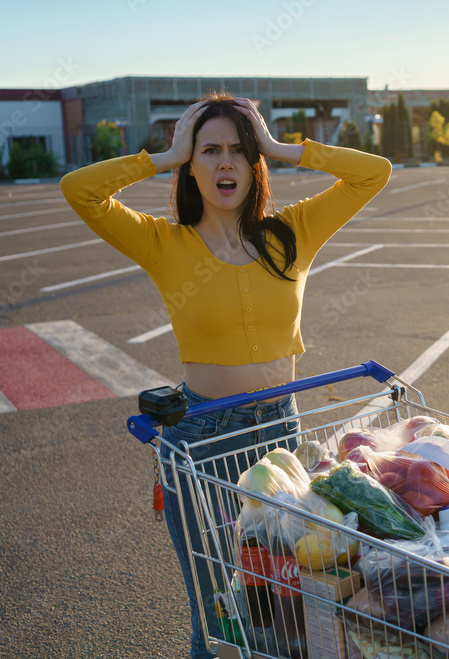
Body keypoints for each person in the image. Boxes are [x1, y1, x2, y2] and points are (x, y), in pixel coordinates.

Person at [60, 92, 391, 658]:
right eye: (209, 150)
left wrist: (281, 146)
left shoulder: (292, 233)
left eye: (239, 151)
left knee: (282, 599)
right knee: (215, 604)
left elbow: (373, 174)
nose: (225, 164)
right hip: (201, 437)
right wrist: (163, 155)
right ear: (192, 165)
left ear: (254, 163)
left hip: (278, 433)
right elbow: (79, 190)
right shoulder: (166, 243)